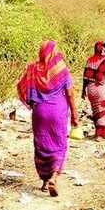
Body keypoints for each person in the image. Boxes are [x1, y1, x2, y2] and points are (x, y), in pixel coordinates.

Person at [17, 40, 79, 197]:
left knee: (41, 145)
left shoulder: (33, 69)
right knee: (59, 145)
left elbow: (21, 86)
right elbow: (70, 93)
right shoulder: (61, 69)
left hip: (39, 112)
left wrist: (33, 101)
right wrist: (75, 116)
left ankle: (44, 181)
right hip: (58, 111)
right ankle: (53, 177)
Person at [82, 41, 105, 141]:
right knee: (103, 111)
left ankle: (98, 133)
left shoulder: (90, 60)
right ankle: (102, 134)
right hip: (101, 89)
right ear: (103, 49)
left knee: (96, 111)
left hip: (90, 90)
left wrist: (83, 91)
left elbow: (85, 77)